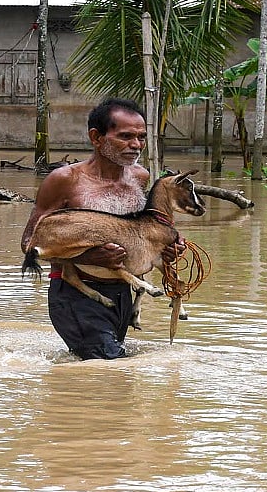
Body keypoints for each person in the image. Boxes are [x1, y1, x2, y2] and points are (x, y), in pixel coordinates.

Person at [21, 97, 183, 360]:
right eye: (126, 136)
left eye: (141, 137)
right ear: (96, 138)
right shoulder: (65, 181)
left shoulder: (139, 177)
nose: (136, 145)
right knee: (109, 365)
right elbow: (29, 244)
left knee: (107, 376)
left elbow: (140, 232)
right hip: (75, 293)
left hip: (122, 293)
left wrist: (167, 247)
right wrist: (88, 256)